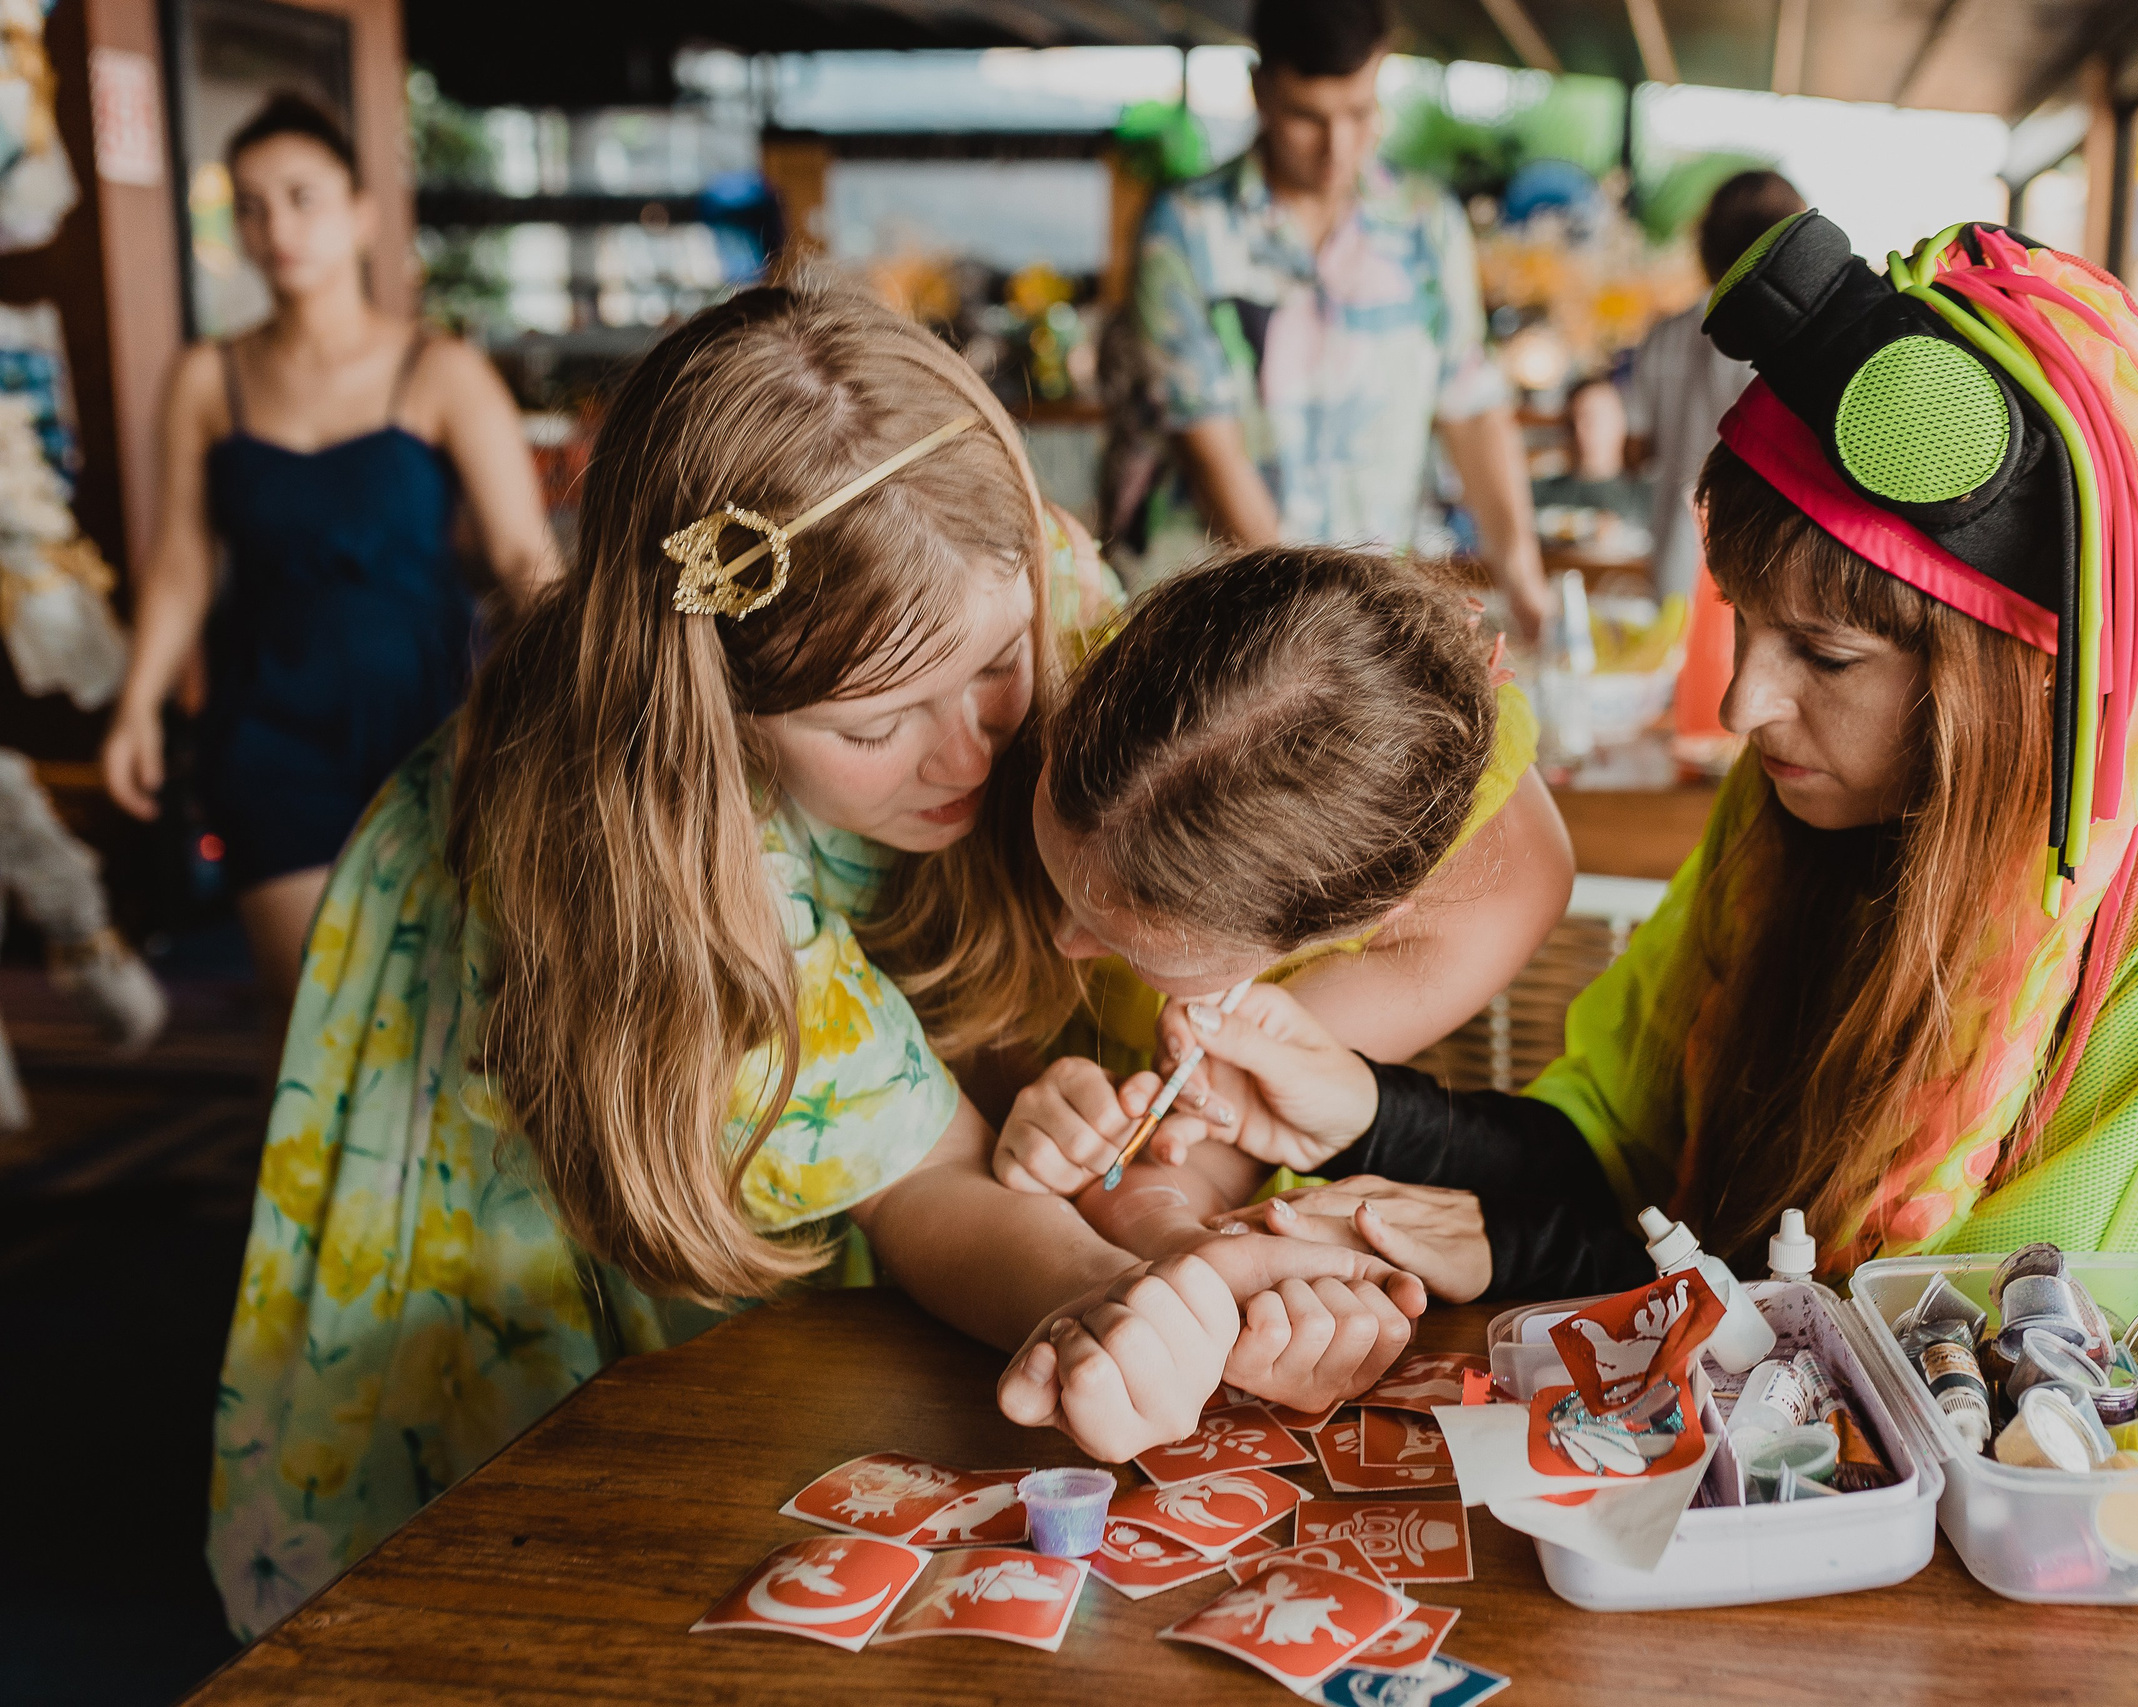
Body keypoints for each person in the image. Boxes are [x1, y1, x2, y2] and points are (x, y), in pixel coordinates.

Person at [206, 286, 1425, 1639]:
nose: (968, 753)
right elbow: (924, 1184)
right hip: (539, 1033)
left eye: (994, 672)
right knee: (532, 1537)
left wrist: (1181, 1213)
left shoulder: (1013, 573)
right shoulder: (651, 832)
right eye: (878, 722)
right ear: (721, 700)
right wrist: (1120, 1294)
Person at [1168, 214, 2138, 1326]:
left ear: (2027, 673)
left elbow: (1992, 1380)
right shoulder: (1805, 801)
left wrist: (1532, 1252)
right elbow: (1628, 1148)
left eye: (1827, 654)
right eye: (1743, 624)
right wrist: (1369, 1115)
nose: (1745, 704)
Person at [99, 93, 559, 1018]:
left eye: (303, 198)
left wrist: (588, 688)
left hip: (434, 722)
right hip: (268, 719)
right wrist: (139, 703)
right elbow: (185, 556)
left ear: (360, 213)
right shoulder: (205, 378)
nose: (277, 227)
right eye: (253, 205)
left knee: (450, 1008)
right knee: (313, 1008)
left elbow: (522, 555)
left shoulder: (441, 371)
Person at [985, 545, 1570, 1200]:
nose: (1063, 941)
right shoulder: (1182, 690)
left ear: (1351, 920)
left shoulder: (1492, 902)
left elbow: (1208, 1159)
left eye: (1127, 944)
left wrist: (1076, 1158)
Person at [1113, 0, 1549, 640]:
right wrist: (1316, 633)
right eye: (1306, 118)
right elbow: (1213, 459)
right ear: (1260, 92)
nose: (1337, 148)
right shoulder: (1183, 233)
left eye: (1359, 113)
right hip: (1210, 622)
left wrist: (1521, 567)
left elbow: (1473, 406)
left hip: (1353, 617)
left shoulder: (1427, 226)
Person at [1626, 171, 1807, 757]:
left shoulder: (1667, 334)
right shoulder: (1791, 341)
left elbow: (1636, 449)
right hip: (1765, 562)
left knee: (1676, 721)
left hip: (1676, 553)